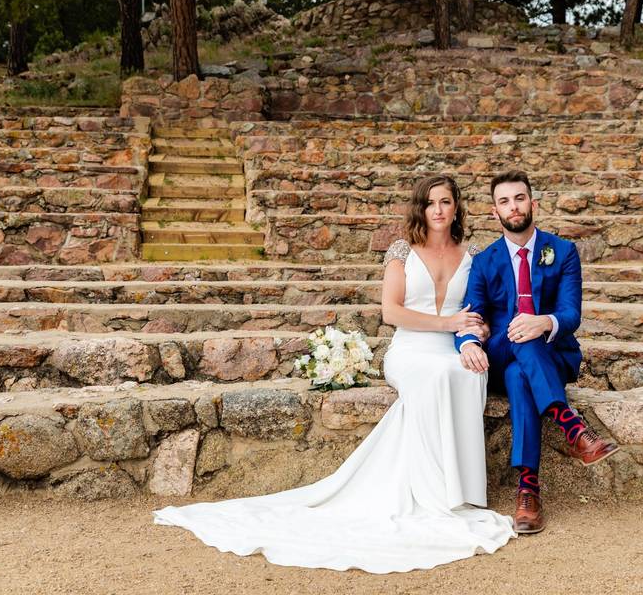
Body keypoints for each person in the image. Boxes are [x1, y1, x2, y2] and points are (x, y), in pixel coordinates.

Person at [153, 174, 516, 573]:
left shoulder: (474, 253)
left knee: (466, 372)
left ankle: (461, 492)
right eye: (431, 203)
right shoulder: (402, 251)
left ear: (456, 207)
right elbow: (391, 312)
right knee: (435, 377)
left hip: (452, 348)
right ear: (421, 208)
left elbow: (483, 307)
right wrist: (448, 324)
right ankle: (434, 495)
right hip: (411, 349)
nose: (438, 210)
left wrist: (475, 332)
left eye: (446, 202)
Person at [455, 169, 619, 535]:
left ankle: (528, 491)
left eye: (519, 198)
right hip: (500, 351)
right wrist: (467, 342)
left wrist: (543, 322)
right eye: (504, 201)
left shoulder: (562, 252)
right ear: (494, 212)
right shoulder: (484, 262)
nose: (513, 207)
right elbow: (470, 314)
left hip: (552, 355)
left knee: (520, 372)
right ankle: (572, 427)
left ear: (533, 203)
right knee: (517, 337)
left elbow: (570, 314)